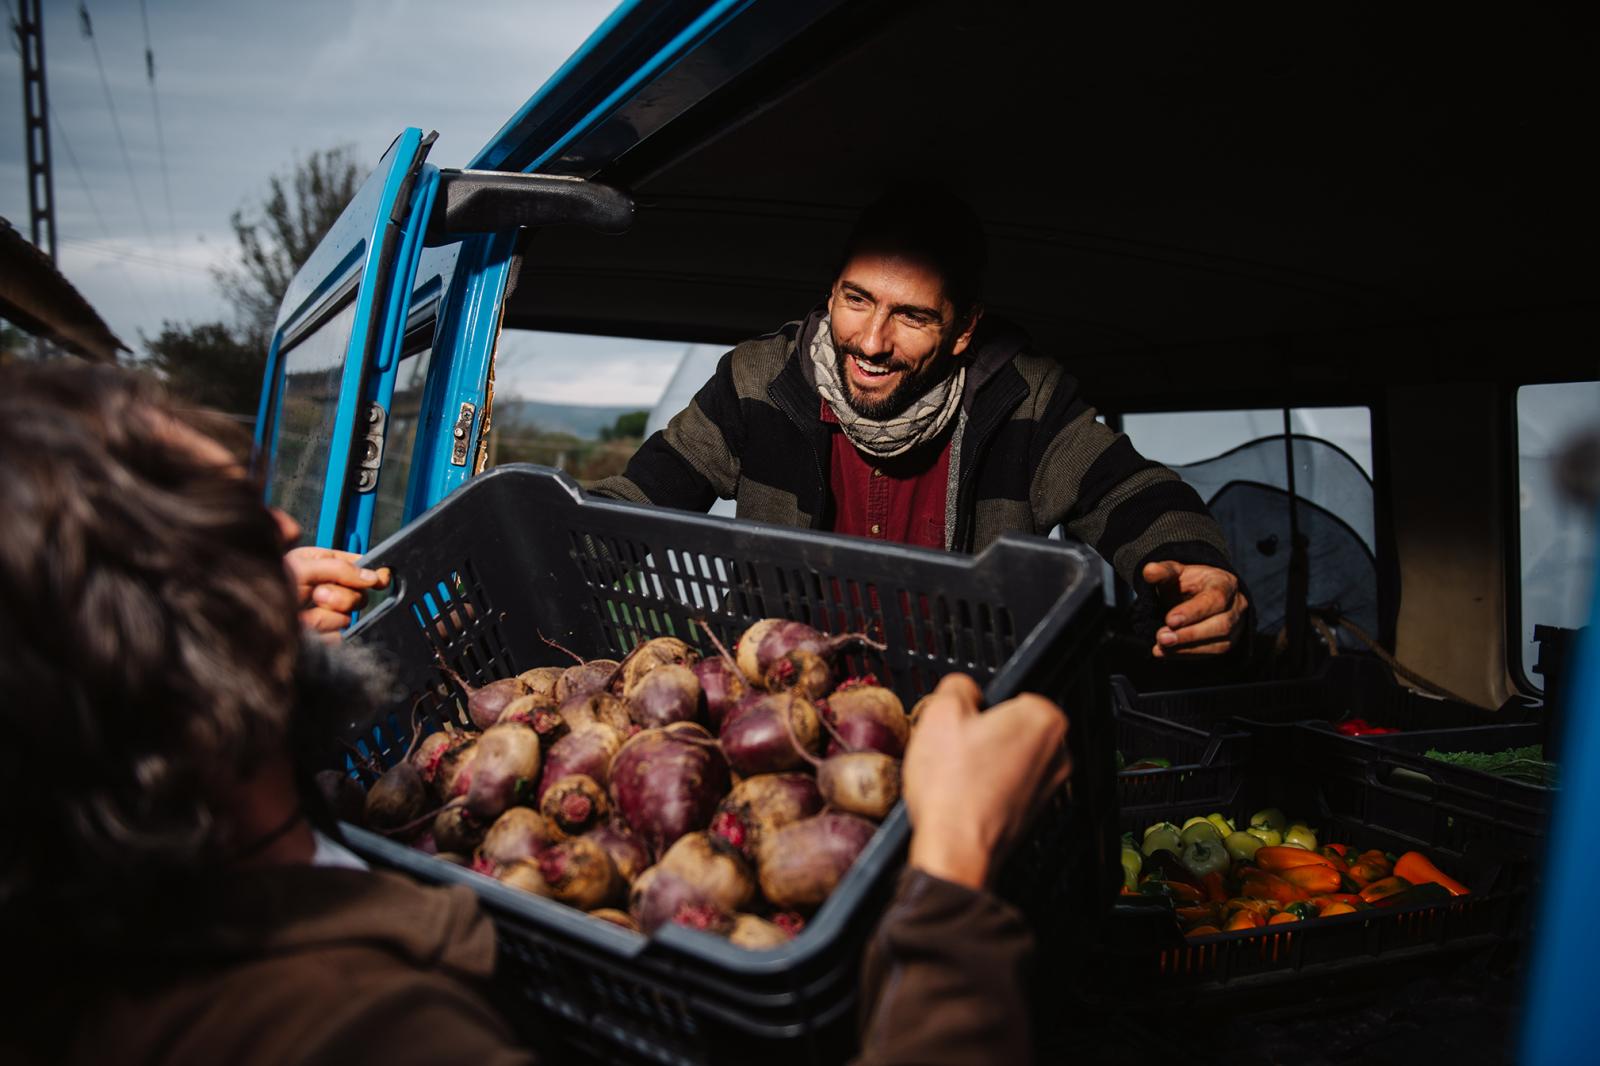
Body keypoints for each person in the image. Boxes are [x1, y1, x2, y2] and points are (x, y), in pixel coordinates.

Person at [0, 360, 1063, 1065]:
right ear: (166, 668)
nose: (283, 529)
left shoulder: (95, 933)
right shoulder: (363, 1034)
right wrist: (953, 883)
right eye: (240, 529)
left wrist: (241, 619)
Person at [594, 184, 1249, 657]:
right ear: (831, 292)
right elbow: (637, 497)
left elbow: (1132, 491)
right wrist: (532, 538)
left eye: (912, 316)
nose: (872, 341)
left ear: (964, 329)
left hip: (955, 719)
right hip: (777, 701)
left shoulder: (1028, 400)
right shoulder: (757, 382)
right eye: (857, 301)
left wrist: (1191, 564)